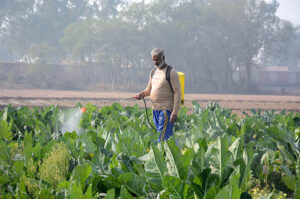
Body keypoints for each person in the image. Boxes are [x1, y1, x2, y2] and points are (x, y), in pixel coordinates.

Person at [134, 48, 181, 142]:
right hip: (155, 110)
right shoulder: (153, 72)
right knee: (168, 137)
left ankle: (160, 155)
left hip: (166, 111)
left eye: (157, 59)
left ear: (163, 58)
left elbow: (177, 93)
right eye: (153, 59)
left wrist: (175, 113)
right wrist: (141, 95)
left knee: (161, 138)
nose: (155, 62)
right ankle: (177, 155)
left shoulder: (171, 72)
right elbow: (149, 90)